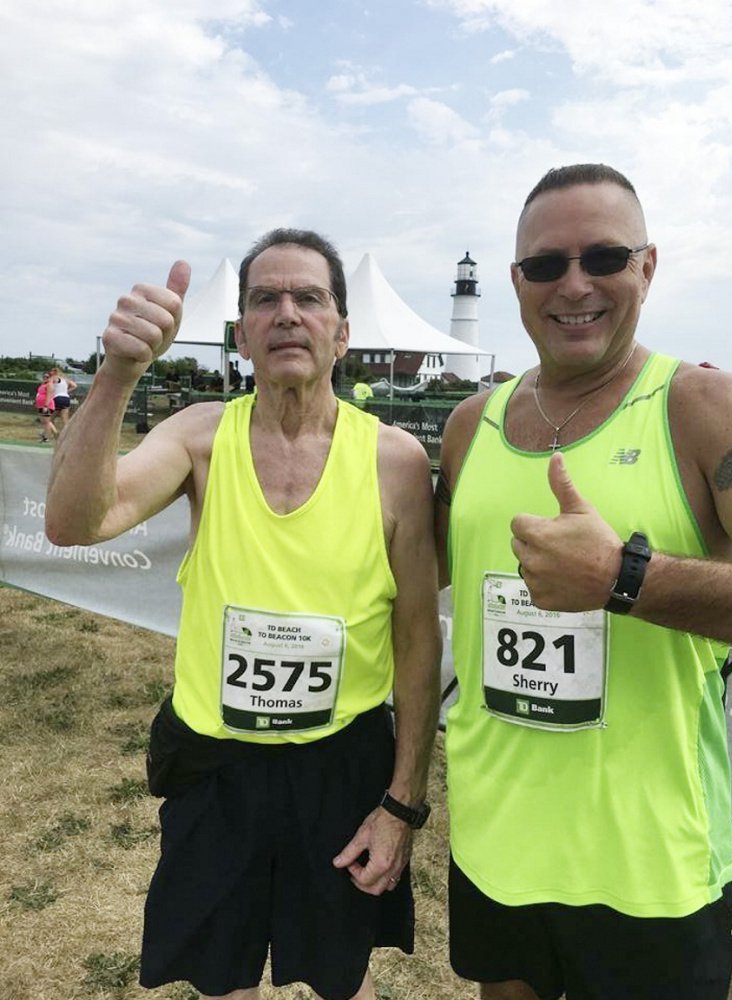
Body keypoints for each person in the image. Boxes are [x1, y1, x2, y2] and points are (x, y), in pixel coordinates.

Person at [45, 228, 441, 1000]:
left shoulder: (394, 460)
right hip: (216, 767)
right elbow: (73, 522)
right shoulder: (200, 436)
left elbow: (418, 640)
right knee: (220, 978)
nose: (287, 313)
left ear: (343, 333)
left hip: (339, 769)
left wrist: (402, 804)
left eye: (309, 298)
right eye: (265, 300)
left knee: (342, 977)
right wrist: (119, 372)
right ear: (242, 336)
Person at [435, 164, 732, 1000]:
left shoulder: (704, 406)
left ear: (648, 267)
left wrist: (625, 578)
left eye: (604, 257)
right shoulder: (469, 426)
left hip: (649, 865)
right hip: (497, 842)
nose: (574, 285)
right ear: (515, 281)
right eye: (546, 265)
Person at [35, 371, 58, 442]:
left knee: (46, 422)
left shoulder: (49, 385)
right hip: (40, 405)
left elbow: (49, 396)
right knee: (43, 421)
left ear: (50, 378)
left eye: (47, 377)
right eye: (44, 377)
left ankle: (47, 437)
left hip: (47, 406)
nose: (45, 378)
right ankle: (53, 435)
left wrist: (46, 406)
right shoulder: (43, 384)